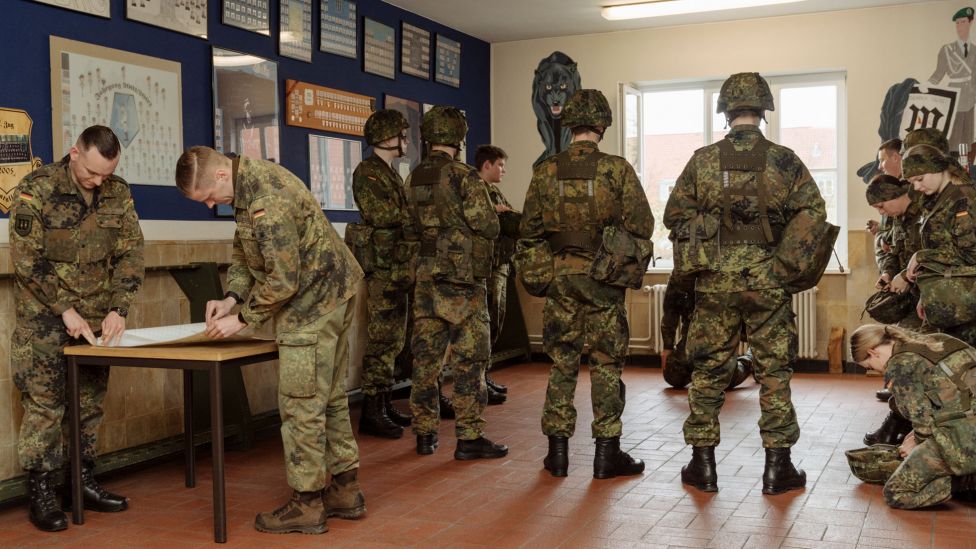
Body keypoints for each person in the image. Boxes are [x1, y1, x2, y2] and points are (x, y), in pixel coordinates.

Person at [175, 146, 365, 535]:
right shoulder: (247, 184)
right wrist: (231, 298)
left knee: (300, 405)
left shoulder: (265, 198)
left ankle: (307, 504)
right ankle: (345, 490)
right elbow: (246, 252)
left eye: (208, 196)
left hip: (312, 304)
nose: (210, 204)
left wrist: (242, 319)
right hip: (332, 293)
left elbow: (283, 280)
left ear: (221, 175)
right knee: (329, 398)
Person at [664, 72, 828, 494]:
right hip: (767, 282)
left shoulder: (702, 160)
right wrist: (782, 265)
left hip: (714, 283)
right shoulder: (785, 160)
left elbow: (674, 217)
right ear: (763, 111)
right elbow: (813, 213)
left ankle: (702, 465)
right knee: (774, 371)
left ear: (726, 111)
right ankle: (778, 468)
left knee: (708, 370)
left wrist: (711, 234)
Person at [9, 125, 144, 532]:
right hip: (45, 320)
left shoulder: (117, 192)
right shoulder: (36, 189)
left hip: (96, 321)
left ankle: (80, 483)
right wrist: (63, 308)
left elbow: (131, 252)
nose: (98, 181)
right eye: (91, 172)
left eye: (106, 174)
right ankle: (42, 491)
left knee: (88, 403)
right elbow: (27, 259)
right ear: (74, 153)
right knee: (45, 407)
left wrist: (119, 308)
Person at [521, 89, 654, 479]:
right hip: (604, 278)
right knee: (606, 364)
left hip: (561, 278)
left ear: (570, 125)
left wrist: (545, 274)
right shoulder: (616, 169)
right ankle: (606, 454)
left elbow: (529, 231)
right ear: (602, 125)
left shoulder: (545, 170)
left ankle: (557, 454)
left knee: (562, 362)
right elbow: (642, 224)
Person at [404, 106, 507, 460]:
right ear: (459, 138)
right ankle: (469, 436)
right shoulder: (464, 176)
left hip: (425, 279)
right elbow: (488, 225)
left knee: (425, 360)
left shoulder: (413, 177)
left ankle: (424, 434)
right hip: (462, 282)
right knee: (469, 360)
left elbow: (408, 228)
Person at [849, 324, 976, 509]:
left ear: (873, 352)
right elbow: (946, 399)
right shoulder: (933, 340)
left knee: (897, 493)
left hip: (965, 438)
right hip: (966, 421)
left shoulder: (899, 366)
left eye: (869, 366)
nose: (876, 371)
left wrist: (917, 443)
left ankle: (963, 482)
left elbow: (923, 425)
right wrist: (915, 435)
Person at [350, 109, 414, 439]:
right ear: (386, 137)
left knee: (395, 339)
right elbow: (382, 215)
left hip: (397, 265)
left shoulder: (389, 173)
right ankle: (372, 411)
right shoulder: (368, 172)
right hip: (382, 268)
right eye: (401, 135)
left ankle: (385, 403)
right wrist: (414, 214)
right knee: (381, 339)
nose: (406, 141)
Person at [902, 144, 976, 346]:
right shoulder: (938, 199)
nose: (916, 187)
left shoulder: (963, 198)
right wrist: (928, 295)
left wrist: (921, 256)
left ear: (937, 168)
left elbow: (970, 254)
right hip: (950, 297)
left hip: (967, 303)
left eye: (919, 179)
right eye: (912, 182)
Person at [475, 144, 519, 405]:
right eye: (500, 165)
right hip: (487, 268)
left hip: (501, 265)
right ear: (487, 165)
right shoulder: (477, 192)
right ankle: (479, 379)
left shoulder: (494, 191)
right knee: (486, 322)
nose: (503, 170)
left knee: (496, 321)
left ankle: (485, 373)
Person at [659, 272, 754, 391]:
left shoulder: (727, 269)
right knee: (673, 375)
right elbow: (670, 311)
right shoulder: (682, 273)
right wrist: (667, 347)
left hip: (723, 334)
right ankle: (701, 371)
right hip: (692, 336)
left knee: (724, 380)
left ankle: (750, 358)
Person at [929, 7, 976, 151]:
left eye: (963, 22)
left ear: (970, 23)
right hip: (955, 96)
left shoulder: (975, 50)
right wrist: (927, 85)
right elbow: (938, 73)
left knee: (967, 138)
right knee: (954, 137)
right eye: (957, 23)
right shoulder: (947, 49)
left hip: (970, 98)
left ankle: (965, 162)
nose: (959, 26)